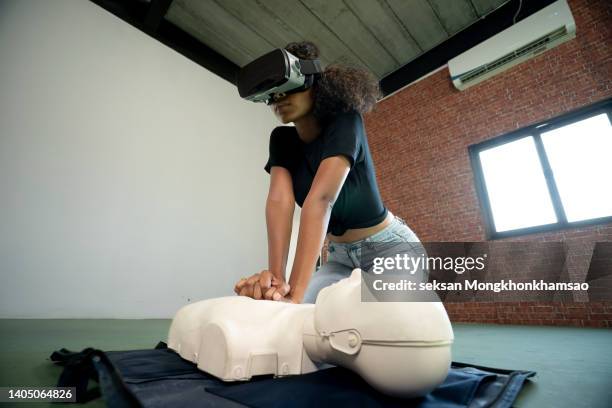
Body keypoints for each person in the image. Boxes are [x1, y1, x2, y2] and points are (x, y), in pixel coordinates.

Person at [234, 41, 425, 304]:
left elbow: (321, 200)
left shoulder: (346, 121)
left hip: (389, 248)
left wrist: (296, 297)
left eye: (286, 88)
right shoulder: (282, 140)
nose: (279, 98)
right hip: (338, 257)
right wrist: (276, 283)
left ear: (312, 81)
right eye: (272, 94)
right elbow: (280, 203)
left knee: (383, 323)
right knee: (311, 320)